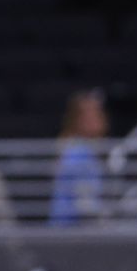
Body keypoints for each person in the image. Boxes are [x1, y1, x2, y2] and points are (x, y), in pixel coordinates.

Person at [48, 90, 108, 225]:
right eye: (90, 116)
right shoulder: (77, 153)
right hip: (69, 232)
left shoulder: (87, 150)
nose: (98, 119)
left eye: (98, 113)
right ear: (77, 120)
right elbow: (85, 206)